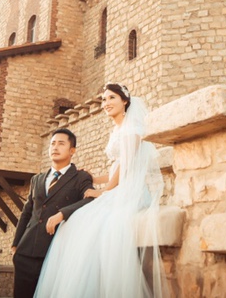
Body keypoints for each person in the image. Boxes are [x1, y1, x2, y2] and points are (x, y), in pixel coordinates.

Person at [34, 83, 167, 298]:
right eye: (104, 99)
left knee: (89, 224)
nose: (106, 103)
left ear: (125, 101)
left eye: (112, 98)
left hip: (130, 191)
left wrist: (104, 191)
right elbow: (117, 167)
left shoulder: (132, 128)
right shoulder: (118, 130)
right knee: (73, 224)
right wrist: (95, 179)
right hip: (119, 187)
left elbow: (126, 166)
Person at [11, 128, 94, 298]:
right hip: (25, 253)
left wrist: (62, 214)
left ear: (72, 151)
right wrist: (15, 245)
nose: (55, 147)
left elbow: (90, 199)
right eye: (52, 144)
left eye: (61, 144)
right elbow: (27, 213)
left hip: (55, 253)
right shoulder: (37, 179)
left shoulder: (81, 177)